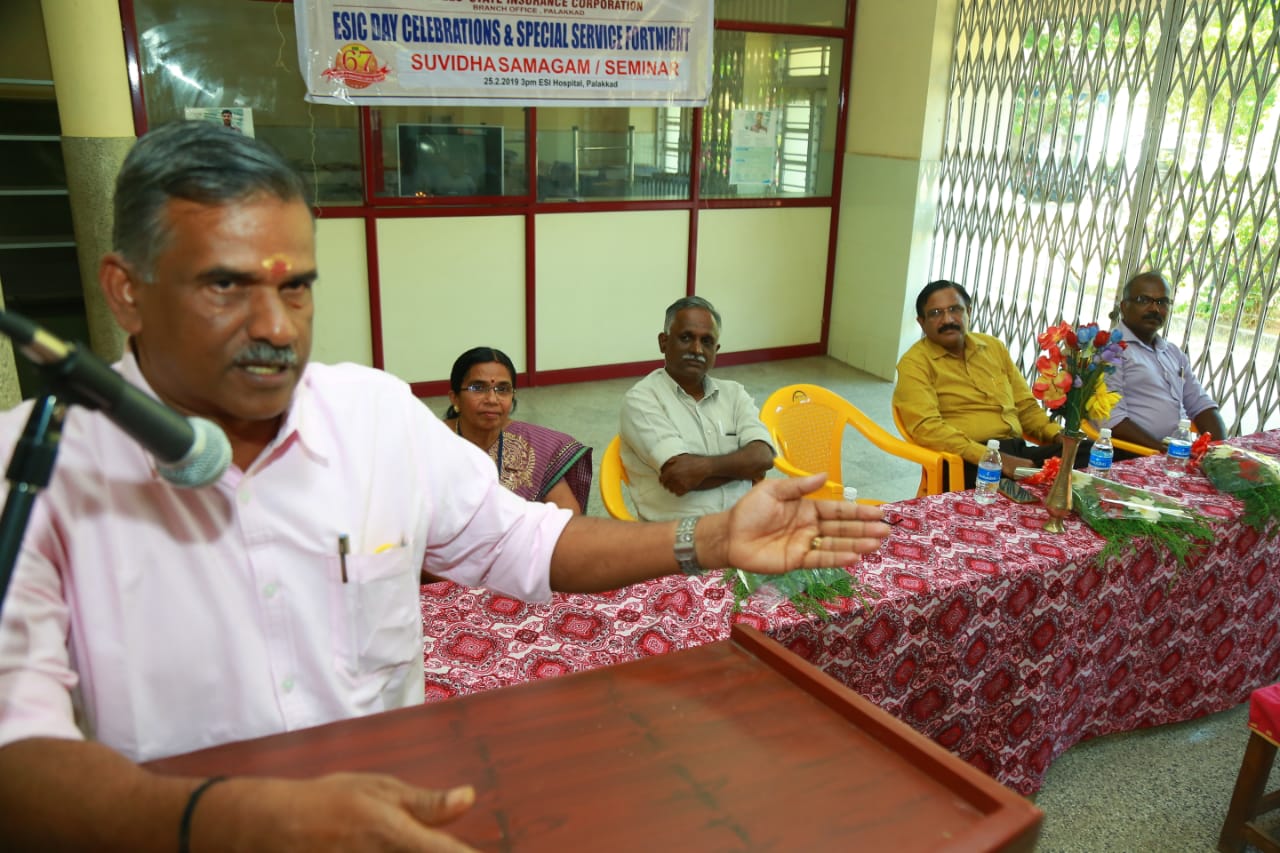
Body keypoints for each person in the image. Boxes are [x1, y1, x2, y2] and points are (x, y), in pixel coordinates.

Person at [0, 121, 890, 851]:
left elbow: (524, 539)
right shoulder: (32, 471)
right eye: (225, 286)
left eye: (298, 287)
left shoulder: (376, 417)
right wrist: (223, 821)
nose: (276, 326)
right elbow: (17, 756)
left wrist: (711, 536)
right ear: (126, 291)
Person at [893, 279, 1081, 487]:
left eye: (955, 309)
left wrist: (1057, 435)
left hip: (1017, 452)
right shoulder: (915, 364)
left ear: (968, 312)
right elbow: (926, 428)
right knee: (1019, 491)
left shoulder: (993, 347)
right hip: (965, 459)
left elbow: (1025, 407)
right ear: (922, 322)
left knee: (1087, 452)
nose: (947, 319)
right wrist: (991, 458)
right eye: (936, 313)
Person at [619, 296, 776, 521]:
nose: (697, 349)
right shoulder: (642, 399)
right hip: (678, 532)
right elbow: (681, 476)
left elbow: (763, 457)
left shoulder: (734, 393)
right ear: (664, 342)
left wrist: (703, 467)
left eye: (707, 341)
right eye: (686, 338)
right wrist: (744, 467)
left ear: (716, 350)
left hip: (743, 522)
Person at [444, 346, 591, 514]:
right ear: (454, 397)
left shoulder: (538, 446)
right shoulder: (431, 442)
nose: (492, 399)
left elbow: (569, 518)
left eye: (503, 389)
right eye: (477, 388)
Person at [1104, 271, 1227, 451]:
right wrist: (1163, 451)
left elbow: (1202, 405)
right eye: (1143, 300)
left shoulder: (1173, 353)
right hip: (1133, 453)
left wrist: (1218, 449)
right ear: (1124, 306)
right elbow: (1111, 419)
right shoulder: (1110, 350)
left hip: (1176, 453)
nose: (1154, 309)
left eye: (1162, 302)